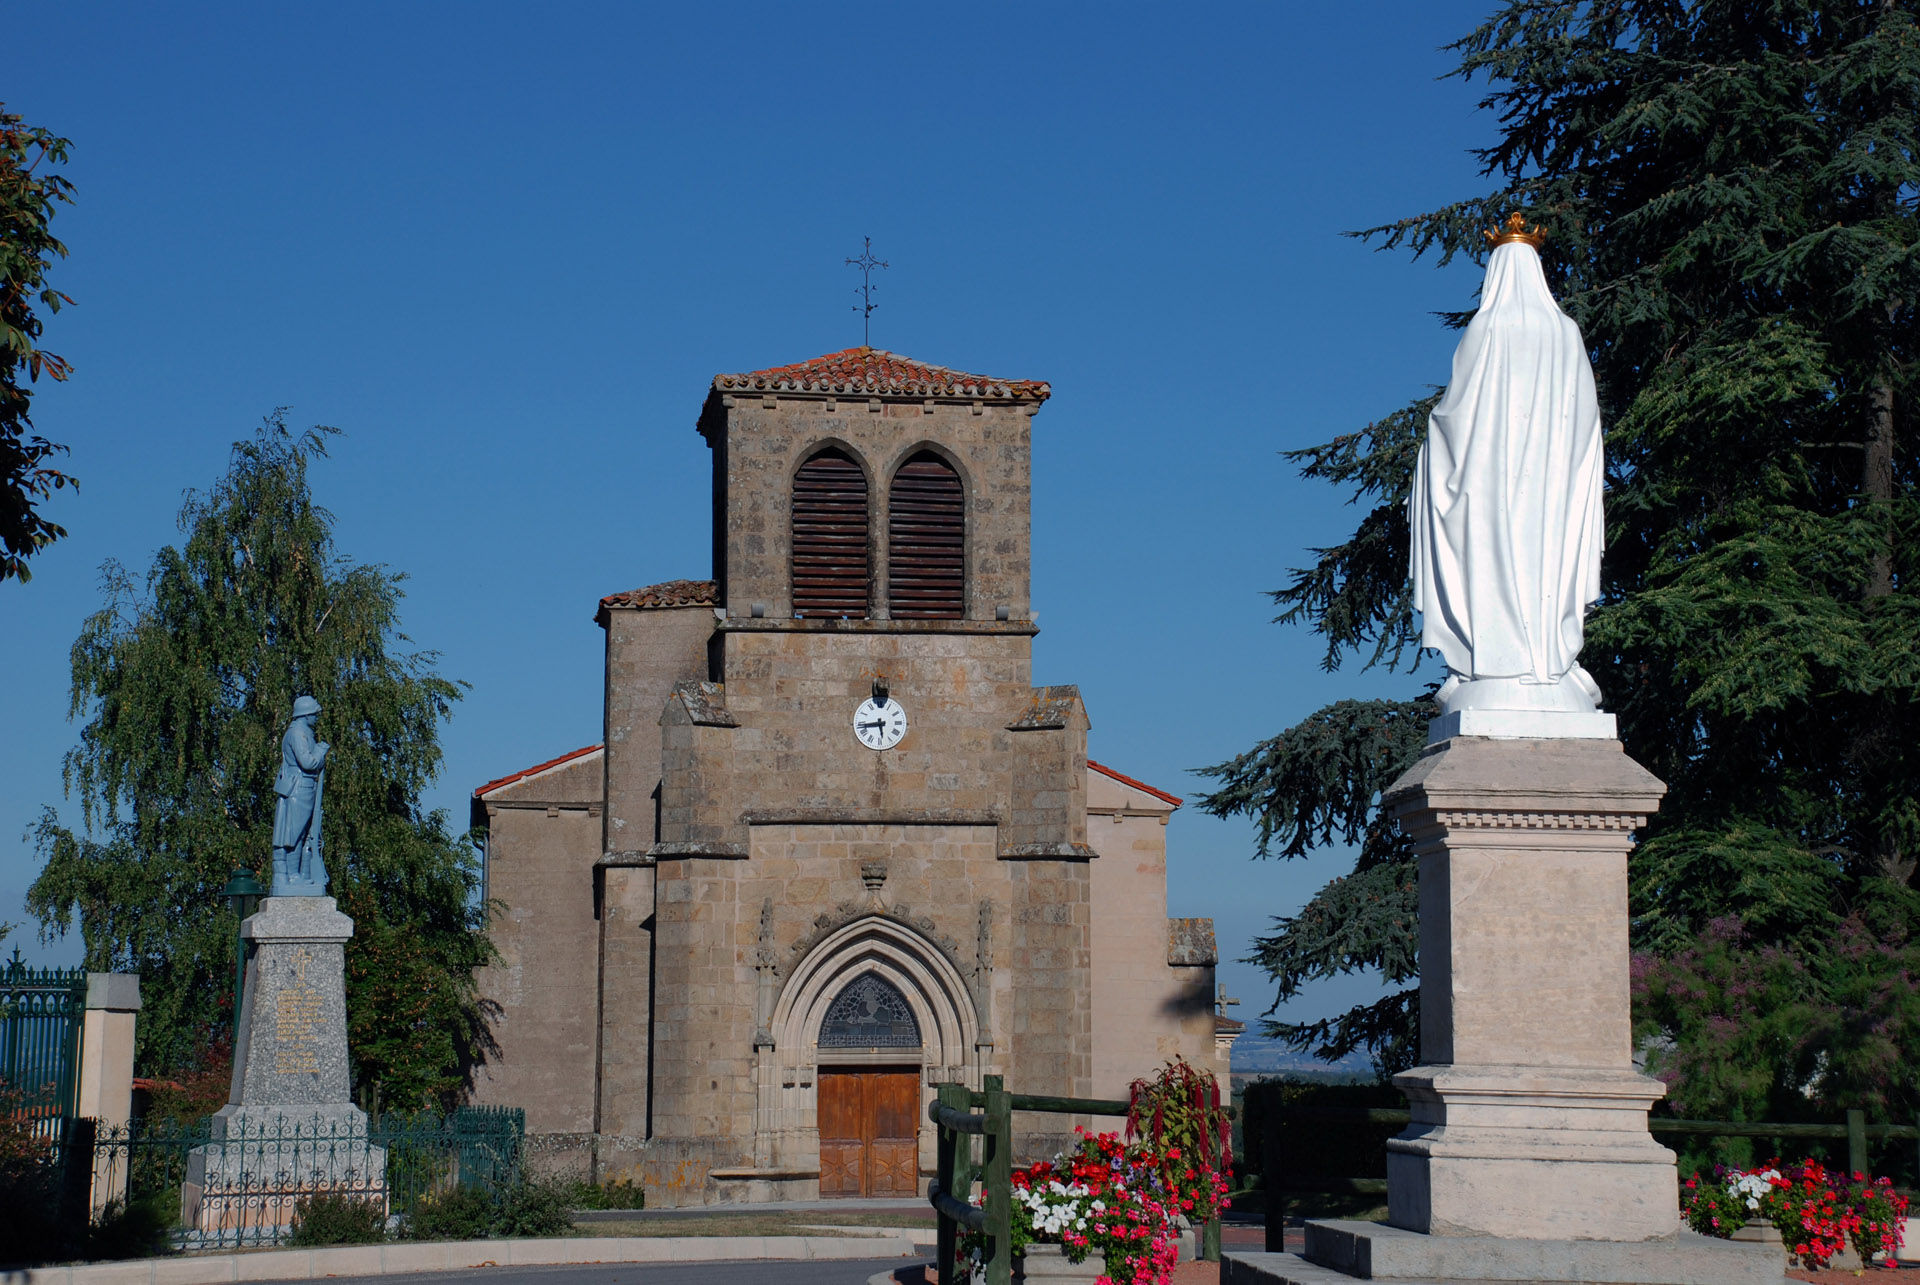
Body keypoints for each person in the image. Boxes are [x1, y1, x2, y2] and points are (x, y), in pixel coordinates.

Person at [1409, 214, 1605, 716]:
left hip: (1491, 485)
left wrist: (1432, 448)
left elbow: (1456, 415)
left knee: (1490, 558)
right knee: (1547, 565)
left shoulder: (1488, 326)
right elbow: (1586, 421)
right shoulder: (1565, 331)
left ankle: (1492, 663)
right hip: (1551, 491)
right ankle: (1550, 662)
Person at [271, 696, 330, 894]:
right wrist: (321, 752)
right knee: (293, 834)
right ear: (305, 714)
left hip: (300, 785)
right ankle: (292, 875)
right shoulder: (298, 733)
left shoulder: (301, 731)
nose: (316, 717)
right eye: (314, 714)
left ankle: (299, 875)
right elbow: (308, 763)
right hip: (299, 786)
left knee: (303, 834)